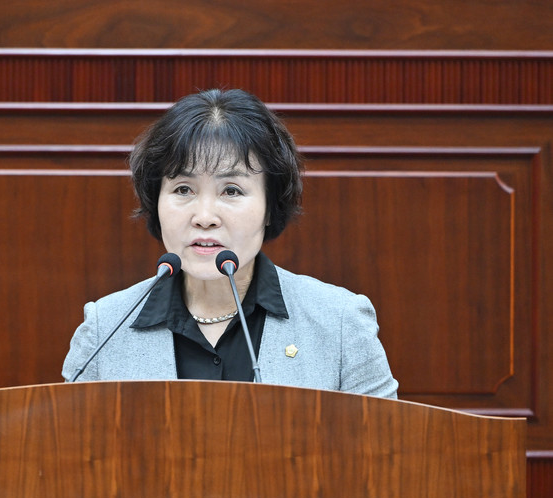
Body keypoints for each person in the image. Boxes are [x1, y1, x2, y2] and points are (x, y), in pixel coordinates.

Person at [62, 88, 398, 398]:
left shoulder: (340, 323)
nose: (205, 216)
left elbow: (387, 443)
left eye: (231, 191)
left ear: (270, 207)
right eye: (183, 189)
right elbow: (66, 441)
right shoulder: (105, 328)